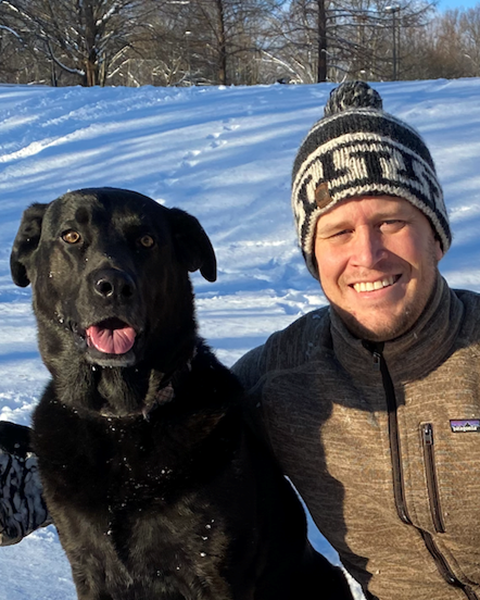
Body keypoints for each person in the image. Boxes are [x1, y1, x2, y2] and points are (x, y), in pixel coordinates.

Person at [1, 80, 480, 600]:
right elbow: (179, 424)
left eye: (391, 222)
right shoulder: (279, 377)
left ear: (437, 235)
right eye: (339, 232)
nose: (367, 255)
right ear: (313, 255)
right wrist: (42, 476)